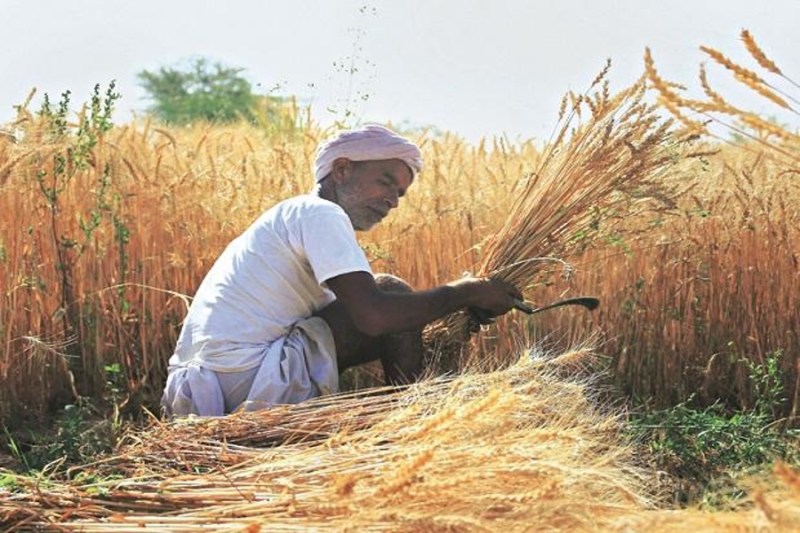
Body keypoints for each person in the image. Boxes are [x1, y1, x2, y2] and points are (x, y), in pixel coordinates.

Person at [162, 125, 522, 417]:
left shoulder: (290, 216)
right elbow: (374, 317)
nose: (392, 201)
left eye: (400, 193)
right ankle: (410, 428)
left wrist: (447, 312)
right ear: (342, 169)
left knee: (387, 299)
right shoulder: (321, 213)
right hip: (248, 380)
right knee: (391, 292)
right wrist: (467, 292)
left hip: (194, 394)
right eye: (385, 181)